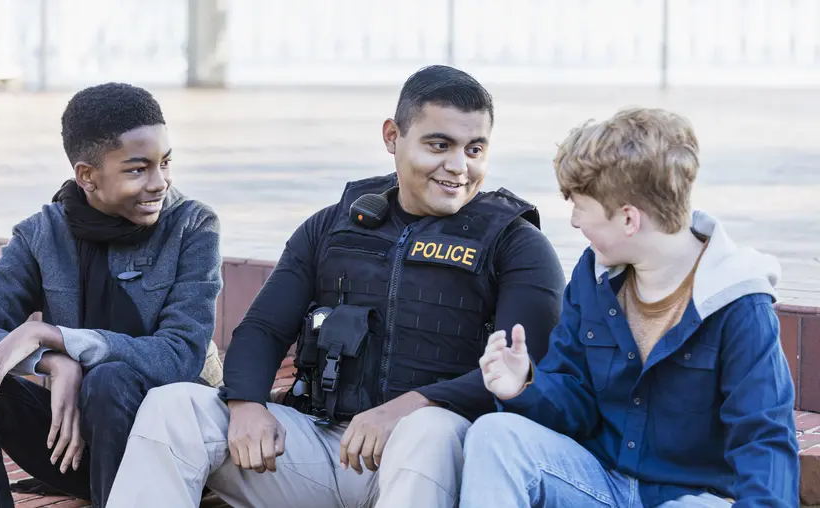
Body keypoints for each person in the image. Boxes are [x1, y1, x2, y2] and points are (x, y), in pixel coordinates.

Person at [106, 65, 566, 508]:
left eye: (474, 149)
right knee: (173, 407)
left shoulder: (517, 244)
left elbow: (526, 369)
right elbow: (263, 329)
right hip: (322, 447)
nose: (458, 167)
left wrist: (410, 406)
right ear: (393, 136)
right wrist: (246, 404)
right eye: (439, 144)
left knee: (430, 429)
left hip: (432, 461)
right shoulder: (332, 227)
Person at [460, 107, 799, 507]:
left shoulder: (739, 305)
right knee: (494, 435)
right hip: (599, 482)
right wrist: (526, 385)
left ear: (628, 220)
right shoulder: (593, 277)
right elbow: (575, 400)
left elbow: (764, 440)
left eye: (580, 206)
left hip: (691, 496)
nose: (573, 222)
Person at [0, 82, 223, 508]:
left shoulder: (192, 227)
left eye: (165, 163)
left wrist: (63, 339)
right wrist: (52, 363)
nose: (159, 183)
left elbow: (180, 355)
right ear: (87, 176)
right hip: (74, 442)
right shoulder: (42, 233)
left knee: (109, 379)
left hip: (174, 453)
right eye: (137, 169)